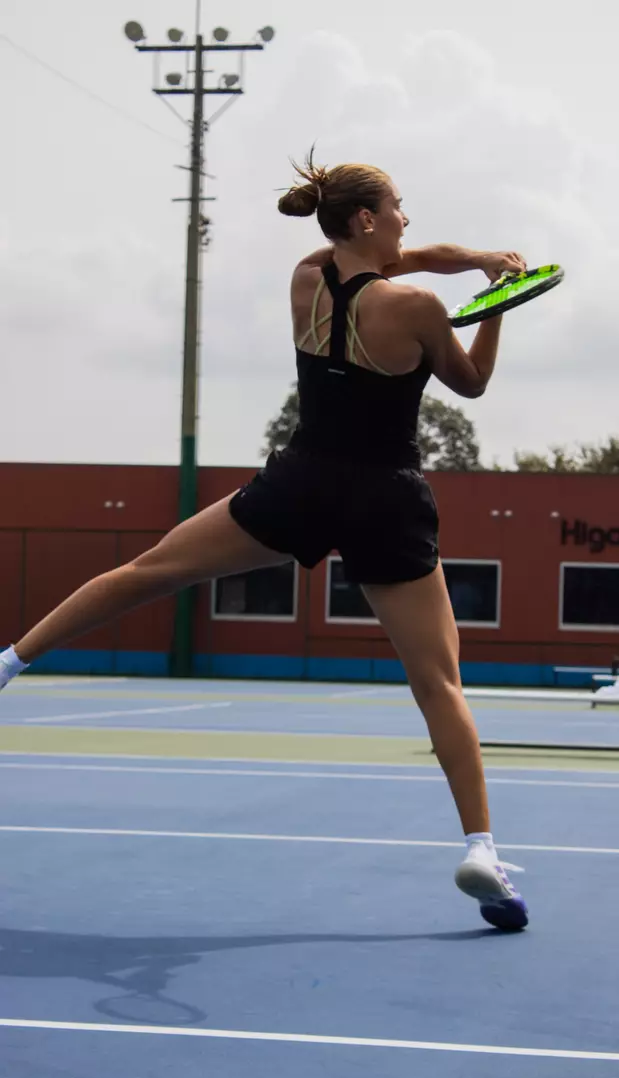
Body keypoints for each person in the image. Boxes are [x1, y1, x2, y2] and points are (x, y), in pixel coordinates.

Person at [0, 152, 529, 930]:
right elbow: (472, 384)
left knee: (148, 571)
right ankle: (481, 849)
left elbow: (405, 257)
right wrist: (499, 304)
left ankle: (10, 662)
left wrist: (481, 258)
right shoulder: (417, 308)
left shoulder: (306, 278)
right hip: (386, 498)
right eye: (399, 206)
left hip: (301, 483)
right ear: (366, 219)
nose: (409, 219)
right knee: (438, 685)